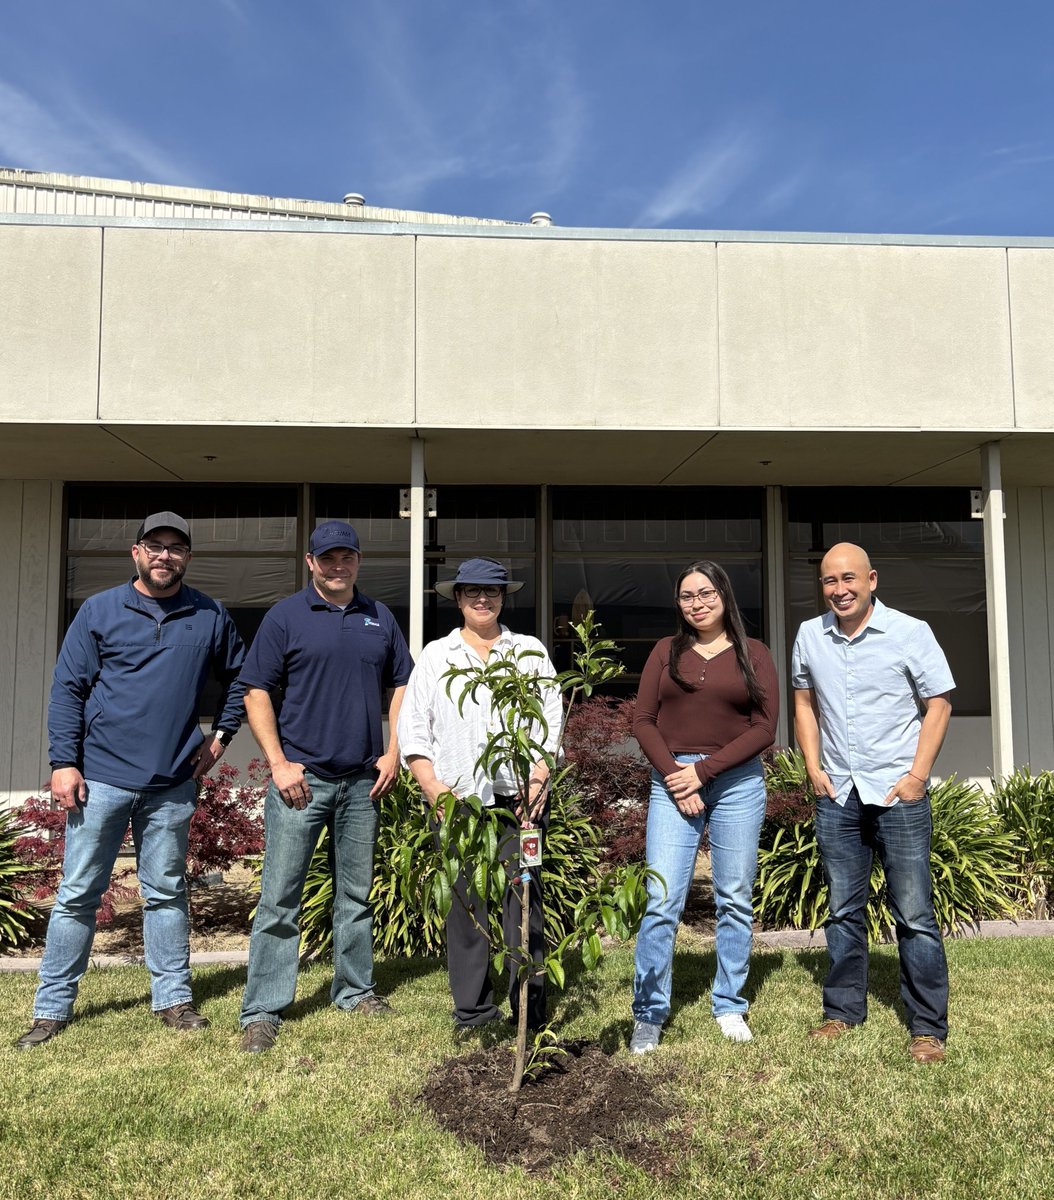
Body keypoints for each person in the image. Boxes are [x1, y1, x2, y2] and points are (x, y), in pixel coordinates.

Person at [17, 511, 246, 1050]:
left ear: (187, 556)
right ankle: (51, 1009)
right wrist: (62, 762)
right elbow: (68, 689)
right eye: (155, 545)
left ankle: (172, 999)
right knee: (78, 893)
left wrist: (221, 738)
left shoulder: (209, 614)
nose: (166, 555)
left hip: (171, 781)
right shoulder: (99, 610)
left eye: (176, 548)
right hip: (100, 778)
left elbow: (242, 677)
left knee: (165, 892)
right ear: (136, 552)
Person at [238, 521, 412, 1053]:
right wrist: (278, 763)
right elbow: (255, 690)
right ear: (310, 562)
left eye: (348, 558)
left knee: (355, 895)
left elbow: (401, 682)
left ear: (359, 561)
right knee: (280, 899)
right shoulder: (285, 617)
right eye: (328, 558)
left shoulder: (379, 617)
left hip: (362, 781)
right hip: (302, 782)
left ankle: (355, 990)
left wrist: (394, 750)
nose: (339, 567)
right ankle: (264, 1008)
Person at [792, 542, 954, 1064]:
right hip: (838, 793)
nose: (839, 590)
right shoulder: (810, 635)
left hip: (896, 794)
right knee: (842, 910)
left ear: (872, 580)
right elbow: (803, 702)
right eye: (828, 581)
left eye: (848, 579)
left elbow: (939, 705)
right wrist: (813, 768)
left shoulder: (911, 632)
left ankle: (927, 1027)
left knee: (913, 914)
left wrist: (917, 777)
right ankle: (842, 1012)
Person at [397, 558, 562, 1038]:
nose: (482, 600)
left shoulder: (528, 653)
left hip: (520, 804)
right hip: (459, 805)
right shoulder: (436, 657)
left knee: (524, 902)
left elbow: (550, 721)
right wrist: (433, 788)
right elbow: (414, 730)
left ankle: (529, 1008)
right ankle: (473, 1012)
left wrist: (538, 780)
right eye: (472, 592)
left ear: (504, 597)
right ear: (457, 599)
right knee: (467, 908)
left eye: (491, 592)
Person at [630, 561, 778, 1053]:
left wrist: (703, 772)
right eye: (687, 595)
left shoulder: (754, 653)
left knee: (734, 896)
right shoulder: (664, 652)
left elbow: (764, 729)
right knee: (662, 899)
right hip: (672, 781)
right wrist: (679, 776)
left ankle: (730, 1003)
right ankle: (649, 1012)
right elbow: (644, 720)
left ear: (724, 595)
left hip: (736, 784)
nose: (697, 602)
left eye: (706, 592)